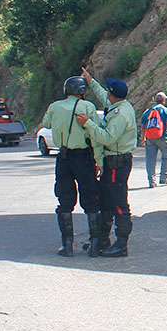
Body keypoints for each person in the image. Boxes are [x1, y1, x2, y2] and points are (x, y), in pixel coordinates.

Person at [77, 67, 138, 258]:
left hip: (117, 163)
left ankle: (121, 244)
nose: (107, 95)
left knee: (118, 203)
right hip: (111, 161)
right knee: (105, 200)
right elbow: (103, 95)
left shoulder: (121, 114)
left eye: (109, 92)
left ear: (114, 95)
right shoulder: (116, 105)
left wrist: (88, 123)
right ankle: (103, 239)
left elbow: (108, 138)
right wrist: (90, 79)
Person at [41, 77, 102, 257]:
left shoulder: (54, 106)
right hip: (84, 158)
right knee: (91, 200)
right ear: (82, 91)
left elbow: (46, 124)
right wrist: (99, 160)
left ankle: (67, 245)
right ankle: (95, 245)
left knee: (65, 201)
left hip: (64, 158)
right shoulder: (88, 107)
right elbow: (96, 135)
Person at [140, 91, 167, 188]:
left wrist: (143, 138)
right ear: (163, 101)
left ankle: (151, 181)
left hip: (150, 138)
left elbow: (142, 126)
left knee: (150, 159)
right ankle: (164, 178)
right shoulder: (166, 110)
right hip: (163, 138)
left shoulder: (147, 111)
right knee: (166, 157)